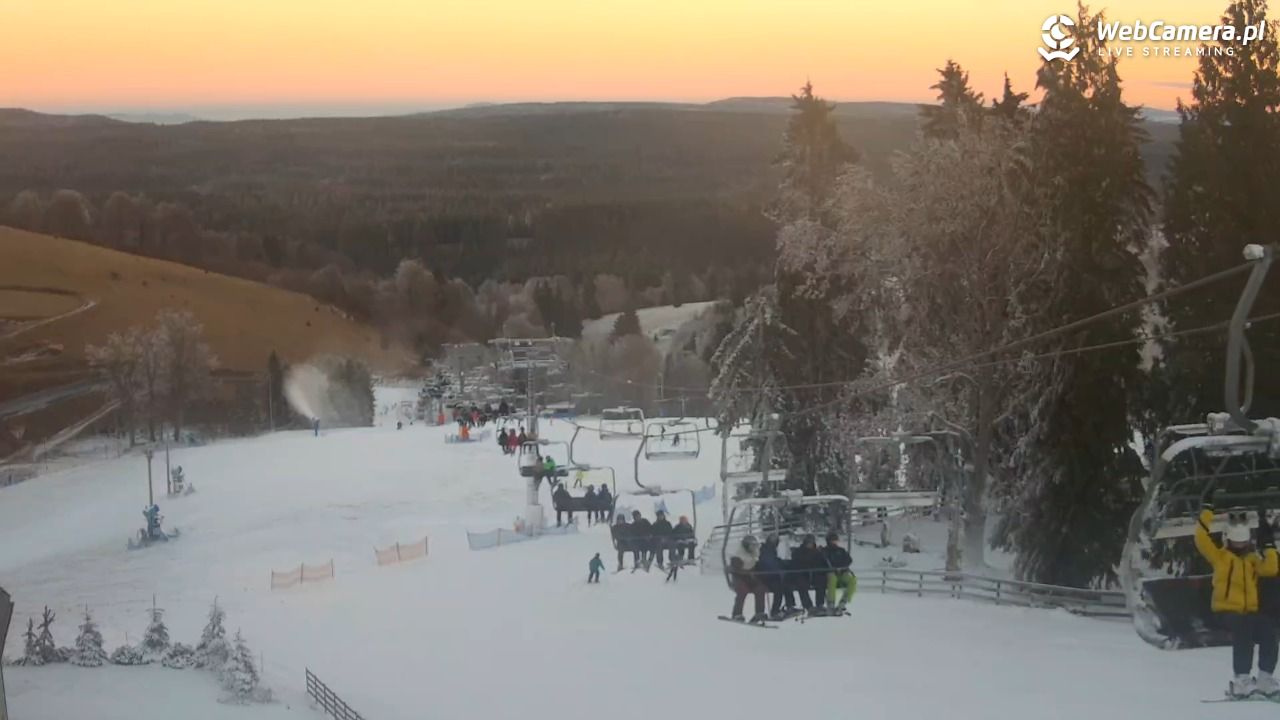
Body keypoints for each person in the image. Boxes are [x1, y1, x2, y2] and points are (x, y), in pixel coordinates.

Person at [1195, 498, 1280, 698]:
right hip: (1225, 612)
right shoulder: (1220, 557)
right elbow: (1200, 538)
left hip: (1248, 613)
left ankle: (1265, 678)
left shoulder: (1252, 560)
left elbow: (1271, 568)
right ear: (1228, 540)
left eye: (1243, 543)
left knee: (1268, 628)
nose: (1240, 547)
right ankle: (1241, 679)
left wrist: (1269, 546)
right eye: (1236, 543)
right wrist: (1207, 512)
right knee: (1243, 628)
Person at [728, 535, 767, 623]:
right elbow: (736, 569)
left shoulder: (753, 555)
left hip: (750, 578)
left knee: (760, 589)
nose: (753, 548)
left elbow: (754, 566)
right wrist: (748, 573)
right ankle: (737, 613)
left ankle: (759, 612)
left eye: (754, 546)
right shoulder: (738, 555)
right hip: (739, 578)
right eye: (752, 546)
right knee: (742, 590)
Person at [758, 533, 798, 620]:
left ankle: (789, 606)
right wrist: (780, 566)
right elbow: (769, 563)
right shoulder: (765, 550)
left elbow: (774, 561)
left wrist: (784, 564)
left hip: (773, 576)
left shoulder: (771, 550)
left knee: (786, 585)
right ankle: (775, 611)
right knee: (778, 589)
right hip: (767, 577)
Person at [791, 534, 827, 614]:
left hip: (814, 574)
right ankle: (808, 606)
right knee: (801, 584)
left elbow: (821, 563)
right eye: (808, 543)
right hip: (803, 574)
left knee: (821, 580)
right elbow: (796, 563)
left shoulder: (817, 552)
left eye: (811, 543)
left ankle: (820, 604)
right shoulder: (799, 551)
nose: (810, 544)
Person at [823, 532, 856, 614]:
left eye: (835, 540)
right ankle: (831, 602)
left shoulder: (841, 551)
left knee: (852, 580)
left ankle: (844, 601)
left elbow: (848, 560)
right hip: (830, 573)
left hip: (841, 573)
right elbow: (823, 562)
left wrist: (842, 567)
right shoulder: (825, 551)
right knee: (832, 579)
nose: (835, 542)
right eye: (833, 541)